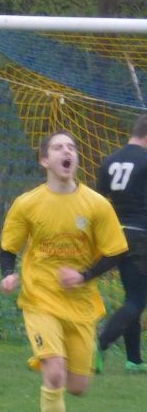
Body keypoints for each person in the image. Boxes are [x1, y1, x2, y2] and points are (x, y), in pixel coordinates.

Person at [0, 130, 127, 412]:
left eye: (71, 147)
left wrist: (83, 276)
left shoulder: (96, 205)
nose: (66, 152)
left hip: (81, 305)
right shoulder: (28, 203)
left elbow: (115, 253)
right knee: (54, 373)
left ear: (75, 160)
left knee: (78, 387)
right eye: (58, 148)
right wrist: (8, 274)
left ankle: (71, 355)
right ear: (45, 160)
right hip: (40, 297)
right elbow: (9, 246)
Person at [95, 114, 147, 374]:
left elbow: (98, 202)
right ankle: (100, 342)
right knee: (138, 299)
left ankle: (134, 360)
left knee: (132, 296)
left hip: (116, 236)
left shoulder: (110, 161)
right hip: (141, 237)